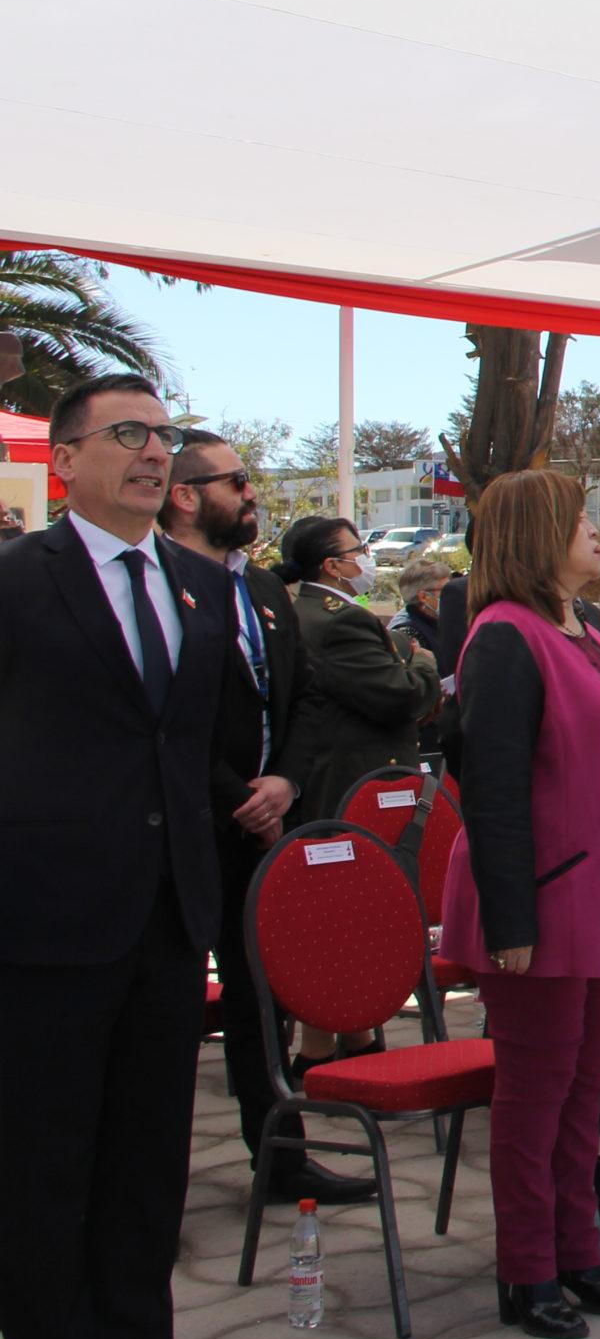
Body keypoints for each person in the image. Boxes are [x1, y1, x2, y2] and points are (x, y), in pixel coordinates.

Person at [0, 377, 244, 1339]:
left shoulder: (205, 589)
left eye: (164, 436)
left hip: (171, 922)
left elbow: (194, 744)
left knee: (150, 1168)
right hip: (46, 926)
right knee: (45, 1167)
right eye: (130, 433)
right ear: (63, 461)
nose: (154, 453)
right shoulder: (18, 582)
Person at [440, 469, 600, 1337]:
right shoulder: (503, 638)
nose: (596, 532)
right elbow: (490, 791)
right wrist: (511, 924)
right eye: (581, 521)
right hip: (542, 899)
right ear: (540, 537)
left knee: (584, 1092)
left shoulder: (583, 629)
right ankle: (528, 1268)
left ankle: (583, 1250)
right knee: (536, 1096)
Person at [161, 430, 375, 1208]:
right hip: (187, 827)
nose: (253, 495)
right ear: (186, 496)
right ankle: (148, 1178)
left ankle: (280, 1154)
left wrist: (283, 780)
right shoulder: (159, 582)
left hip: (266, 823)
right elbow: (162, 715)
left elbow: (306, 693)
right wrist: (235, 794)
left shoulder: (261, 587)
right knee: (171, 1005)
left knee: (261, 996)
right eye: (237, 482)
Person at [276, 513, 440, 820]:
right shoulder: (341, 620)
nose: (368, 557)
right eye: (359, 551)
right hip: (359, 787)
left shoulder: (307, 609)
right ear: (333, 566)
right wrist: (422, 663)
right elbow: (399, 696)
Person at [390, 555, 455, 753]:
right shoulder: (407, 632)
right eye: (445, 592)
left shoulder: (439, 623)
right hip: (426, 737)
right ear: (424, 597)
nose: (452, 597)